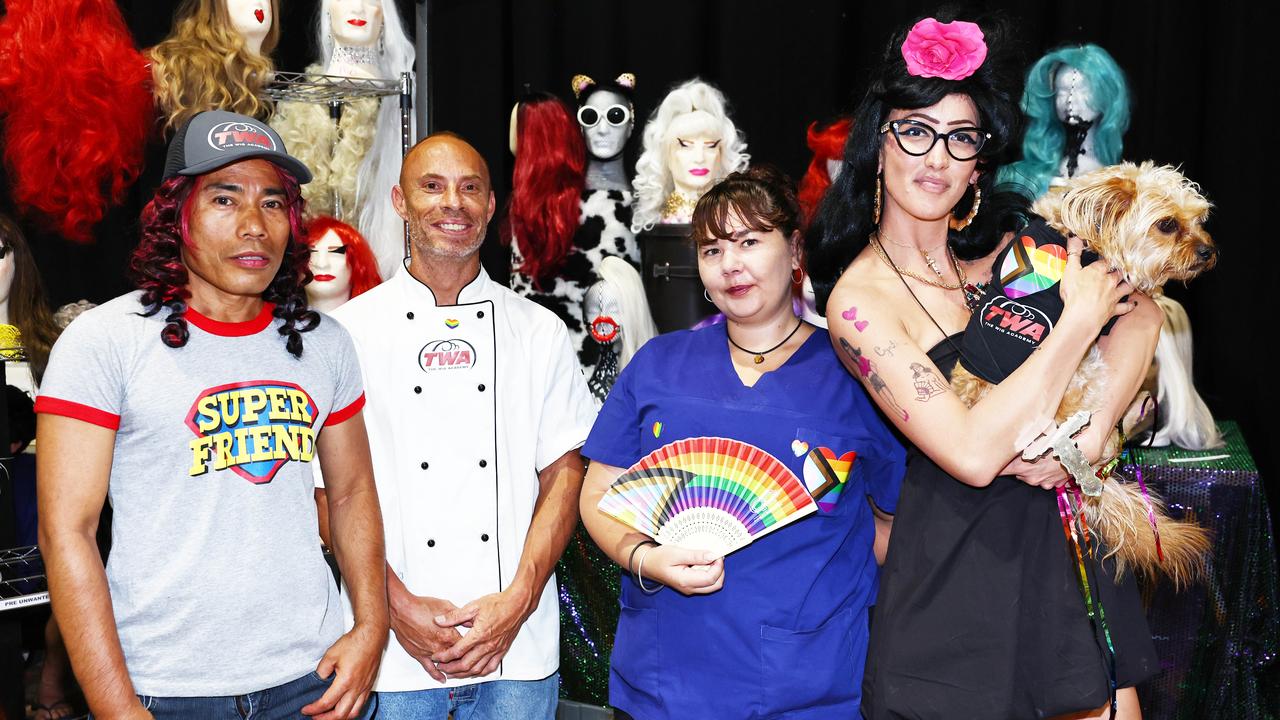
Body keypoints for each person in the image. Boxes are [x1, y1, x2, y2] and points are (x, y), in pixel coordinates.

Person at [806, 15, 1162, 720]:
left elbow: (1144, 312)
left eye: (960, 138)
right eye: (916, 130)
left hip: (1068, 559)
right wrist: (1078, 323)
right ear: (880, 142)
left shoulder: (1011, 245)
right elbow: (970, 452)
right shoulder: (860, 302)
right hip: (957, 592)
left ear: (979, 159)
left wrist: (1089, 440)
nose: (936, 158)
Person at [35, 110, 387, 720]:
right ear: (176, 214)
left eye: (273, 204)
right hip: (161, 689)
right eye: (225, 199)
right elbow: (67, 532)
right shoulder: (104, 342)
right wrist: (116, 707)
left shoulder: (324, 342)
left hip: (313, 680)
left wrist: (371, 627)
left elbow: (352, 491)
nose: (254, 225)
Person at [580, 165, 906, 719]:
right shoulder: (658, 365)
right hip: (663, 681)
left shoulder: (858, 374)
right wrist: (646, 559)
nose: (730, 264)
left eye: (750, 242)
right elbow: (600, 496)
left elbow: (894, 531)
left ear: (794, 247)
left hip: (809, 688)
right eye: (711, 250)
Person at [318, 132, 596, 719]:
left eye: (471, 189)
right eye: (433, 187)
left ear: (492, 208)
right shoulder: (347, 335)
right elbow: (323, 493)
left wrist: (518, 600)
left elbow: (565, 474)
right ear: (399, 201)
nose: (454, 203)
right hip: (390, 653)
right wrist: (396, 609)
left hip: (516, 652)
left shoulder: (538, 330)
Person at [630, 79, 749, 230]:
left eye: (710, 146)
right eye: (685, 146)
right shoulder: (663, 224)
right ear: (666, 155)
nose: (699, 158)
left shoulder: (734, 219)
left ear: (722, 154)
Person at [305, 215, 383, 313]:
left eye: (335, 252)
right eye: (311, 251)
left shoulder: (377, 323)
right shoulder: (283, 325)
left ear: (356, 263)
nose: (322, 264)